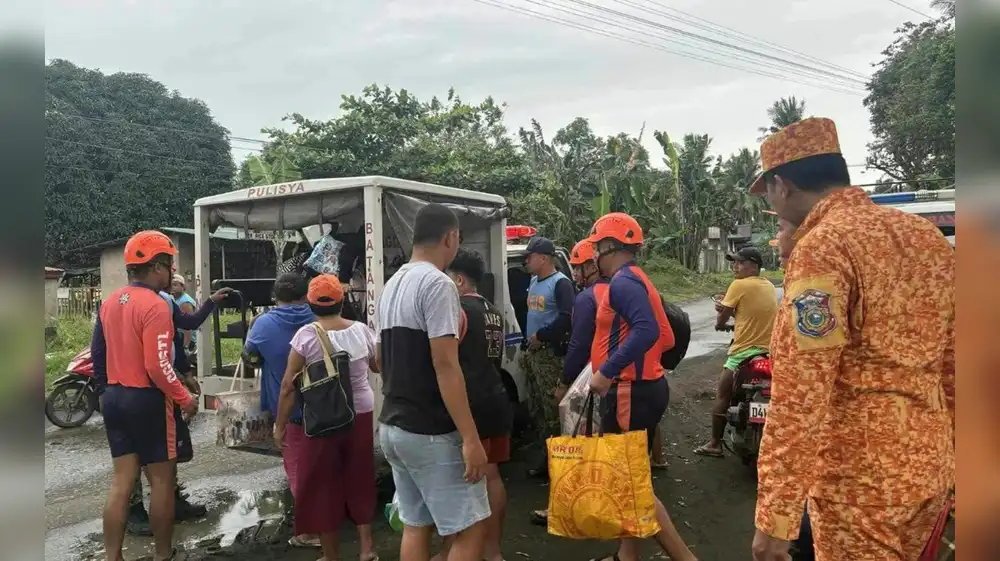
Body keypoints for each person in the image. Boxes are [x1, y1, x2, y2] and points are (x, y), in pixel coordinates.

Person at [748, 118, 955, 561]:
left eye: (766, 190)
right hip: (930, 470)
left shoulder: (824, 246)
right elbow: (954, 362)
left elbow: (802, 391)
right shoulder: (927, 238)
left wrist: (777, 516)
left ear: (782, 185)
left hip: (859, 485)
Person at [375, 203, 489, 561]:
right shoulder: (437, 284)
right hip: (430, 430)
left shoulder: (391, 285)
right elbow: (445, 365)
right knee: (471, 529)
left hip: (394, 426)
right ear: (450, 237)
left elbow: (379, 360)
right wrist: (470, 438)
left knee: (415, 524)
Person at [585, 213, 697, 561]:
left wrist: (608, 371)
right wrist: (643, 366)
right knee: (630, 479)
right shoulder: (638, 278)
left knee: (632, 486)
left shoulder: (622, 283)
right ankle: (627, 555)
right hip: (642, 389)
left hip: (628, 393)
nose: (594, 257)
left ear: (610, 246)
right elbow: (665, 335)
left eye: (597, 248)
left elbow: (648, 331)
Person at [91, 230, 199, 561]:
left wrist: (102, 390)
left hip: (115, 397)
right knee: (162, 483)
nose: (170, 274)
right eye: (168, 265)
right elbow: (157, 365)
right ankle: (163, 555)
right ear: (156, 267)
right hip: (148, 402)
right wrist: (185, 397)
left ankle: (114, 557)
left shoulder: (109, 302)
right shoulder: (156, 305)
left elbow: (99, 351)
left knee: (121, 483)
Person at [273, 274, 379, 561]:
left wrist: (280, 425)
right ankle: (367, 549)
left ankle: (332, 556)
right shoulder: (361, 331)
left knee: (325, 483)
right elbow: (378, 366)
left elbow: (287, 386)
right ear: (342, 301)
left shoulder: (306, 336)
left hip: (324, 418)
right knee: (359, 477)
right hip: (361, 413)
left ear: (310, 304)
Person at [122, 283, 229, 537]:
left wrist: (187, 373)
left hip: (163, 384)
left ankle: (172, 501)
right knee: (135, 452)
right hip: (133, 386)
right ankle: (133, 509)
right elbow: (102, 348)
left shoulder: (166, 301)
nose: (172, 273)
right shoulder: (125, 303)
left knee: (169, 448)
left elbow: (177, 334)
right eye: (168, 265)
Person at [435, 248, 512, 561]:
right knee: (492, 477)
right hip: (496, 400)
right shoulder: (493, 310)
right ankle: (493, 552)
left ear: (459, 278)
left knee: (462, 483)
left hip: (470, 406)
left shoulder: (458, 310)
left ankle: (453, 551)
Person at [530, 238, 609, 525]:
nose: (575, 274)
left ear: (593, 265)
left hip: (590, 376)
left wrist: (565, 381)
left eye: (578, 268)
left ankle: (563, 505)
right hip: (615, 379)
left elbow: (577, 346)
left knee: (572, 439)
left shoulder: (589, 298)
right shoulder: (622, 290)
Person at [241, 273, 318, 549]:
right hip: (328, 408)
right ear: (305, 295)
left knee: (299, 471)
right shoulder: (319, 318)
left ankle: (310, 532)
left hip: (290, 410)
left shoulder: (264, 324)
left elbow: (249, 357)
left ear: (276, 297)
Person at [694, 245, 777, 458]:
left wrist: (721, 320)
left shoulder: (739, 285)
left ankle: (714, 443)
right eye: (734, 262)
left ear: (753, 266)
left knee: (723, 393)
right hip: (770, 353)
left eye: (740, 262)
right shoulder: (768, 285)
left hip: (743, 353)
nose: (735, 266)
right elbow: (751, 315)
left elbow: (722, 317)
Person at [520, 236, 575, 478]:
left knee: (553, 409)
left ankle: (558, 462)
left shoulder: (560, 283)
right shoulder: (533, 281)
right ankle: (546, 456)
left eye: (530, 256)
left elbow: (566, 318)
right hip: (533, 354)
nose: (527, 261)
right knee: (538, 407)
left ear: (543, 258)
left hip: (550, 355)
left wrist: (541, 336)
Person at [169, 274, 198, 351]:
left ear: (182, 287)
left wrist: (186, 346)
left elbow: (187, 326)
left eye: (175, 285)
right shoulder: (175, 299)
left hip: (188, 340)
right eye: (171, 285)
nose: (173, 287)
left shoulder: (185, 302)